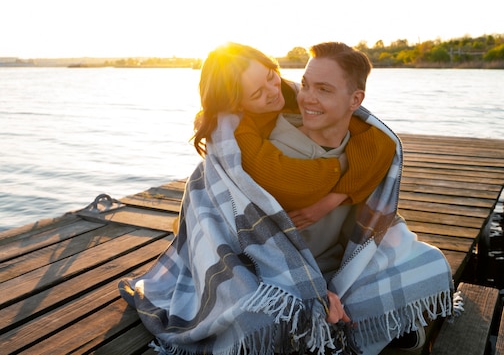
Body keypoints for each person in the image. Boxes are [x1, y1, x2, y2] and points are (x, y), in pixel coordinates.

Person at [119, 42, 457, 355]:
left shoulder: (329, 119)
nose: (294, 95)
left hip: (332, 256)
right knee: (263, 315)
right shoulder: (246, 142)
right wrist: (312, 290)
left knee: (429, 264)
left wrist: (335, 197)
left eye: (271, 77)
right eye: (257, 91)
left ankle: (358, 324)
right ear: (238, 102)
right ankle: (348, 328)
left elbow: (385, 144)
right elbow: (292, 193)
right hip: (262, 262)